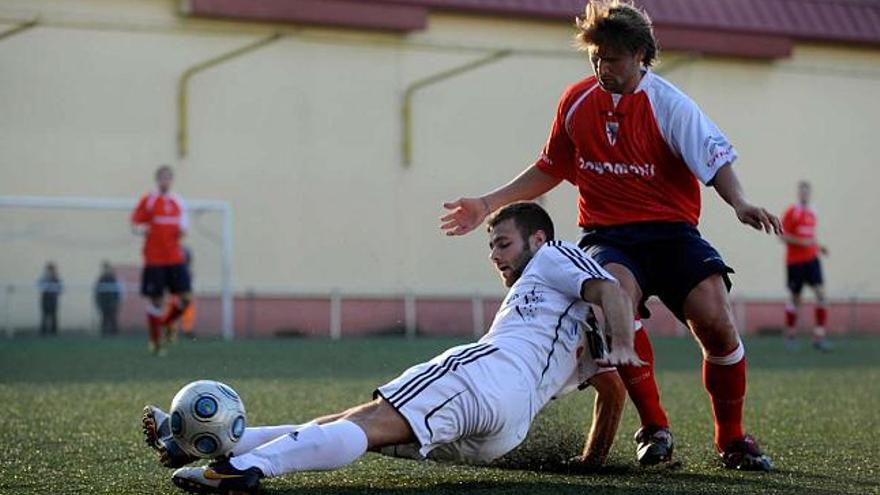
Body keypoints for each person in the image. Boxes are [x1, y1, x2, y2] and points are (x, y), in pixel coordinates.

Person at [440, 0, 779, 471]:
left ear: (641, 55)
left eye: (613, 59)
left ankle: (732, 438)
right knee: (611, 298)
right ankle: (655, 427)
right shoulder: (577, 101)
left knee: (716, 319)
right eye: (596, 57)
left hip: (672, 232)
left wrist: (740, 203)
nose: (602, 68)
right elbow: (550, 167)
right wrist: (486, 203)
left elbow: (715, 160)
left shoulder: (670, 104)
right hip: (609, 234)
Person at [142, 202, 644, 494]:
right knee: (356, 423)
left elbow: (611, 290)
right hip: (505, 431)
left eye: (503, 243)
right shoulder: (571, 322)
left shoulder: (555, 256)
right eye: (491, 246)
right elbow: (612, 393)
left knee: (363, 424)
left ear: (538, 238)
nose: (494, 255)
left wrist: (624, 341)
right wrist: (592, 463)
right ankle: (214, 445)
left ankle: (240, 470)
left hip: (487, 377)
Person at [131, 165, 192, 356]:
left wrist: (178, 234)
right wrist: (144, 230)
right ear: (157, 180)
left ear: (171, 180)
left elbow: (184, 229)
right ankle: (156, 343)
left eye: (168, 178)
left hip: (174, 258)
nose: (165, 181)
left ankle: (166, 324)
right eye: (162, 178)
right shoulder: (149, 200)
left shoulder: (178, 202)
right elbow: (135, 223)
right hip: (154, 260)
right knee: (157, 301)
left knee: (186, 298)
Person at [781, 181, 831, 352]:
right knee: (796, 298)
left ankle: (819, 336)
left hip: (812, 260)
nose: (804, 195)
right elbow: (782, 236)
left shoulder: (812, 212)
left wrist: (819, 247)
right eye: (801, 192)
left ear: (809, 194)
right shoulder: (792, 212)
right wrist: (801, 242)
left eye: (806, 192)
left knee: (821, 294)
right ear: (798, 194)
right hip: (795, 262)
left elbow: (810, 236)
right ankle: (791, 335)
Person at [94, 261, 123, 336]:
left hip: (112, 303)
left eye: (107, 268)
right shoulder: (101, 279)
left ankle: (114, 334)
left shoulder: (113, 279)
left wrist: (116, 302)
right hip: (103, 303)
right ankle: (104, 334)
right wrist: (98, 302)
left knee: (113, 319)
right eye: (105, 268)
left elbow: (117, 292)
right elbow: (97, 291)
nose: (106, 270)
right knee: (104, 319)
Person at [37, 262, 63, 336]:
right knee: (44, 315)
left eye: (51, 270)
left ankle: (54, 331)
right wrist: (47, 286)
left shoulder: (56, 278)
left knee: (54, 315)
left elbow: (60, 288)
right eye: (49, 270)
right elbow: (40, 286)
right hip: (45, 298)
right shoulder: (43, 278)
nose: (50, 271)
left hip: (53, 298)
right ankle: (43, 331)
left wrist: (56, 289)